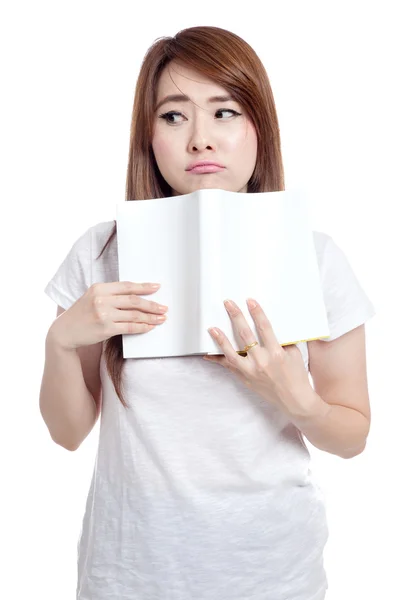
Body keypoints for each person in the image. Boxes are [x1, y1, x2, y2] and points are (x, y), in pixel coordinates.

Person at [40, 25, 376, 600]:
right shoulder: (101, 253)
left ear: (258, 129)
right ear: (148, 136)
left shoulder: (313, 257)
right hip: (128, 572)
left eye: (224, 112)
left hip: (271, 573)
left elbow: (352, 436)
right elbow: (67, 433)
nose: (200, 139)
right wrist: (61, 342)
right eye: (173, 116)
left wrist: (296, 400)